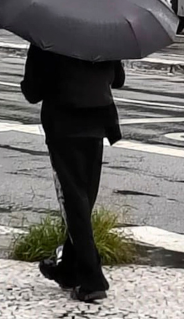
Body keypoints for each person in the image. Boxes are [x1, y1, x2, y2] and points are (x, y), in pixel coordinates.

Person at [21, 45, 125, 303]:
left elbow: (33, 91)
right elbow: (118, 79)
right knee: (83, 198)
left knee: (73, 199)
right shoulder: (102, 33)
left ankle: (92, 279)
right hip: (97, 123)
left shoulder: (47, 38)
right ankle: (68, 268)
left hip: (63, 125)